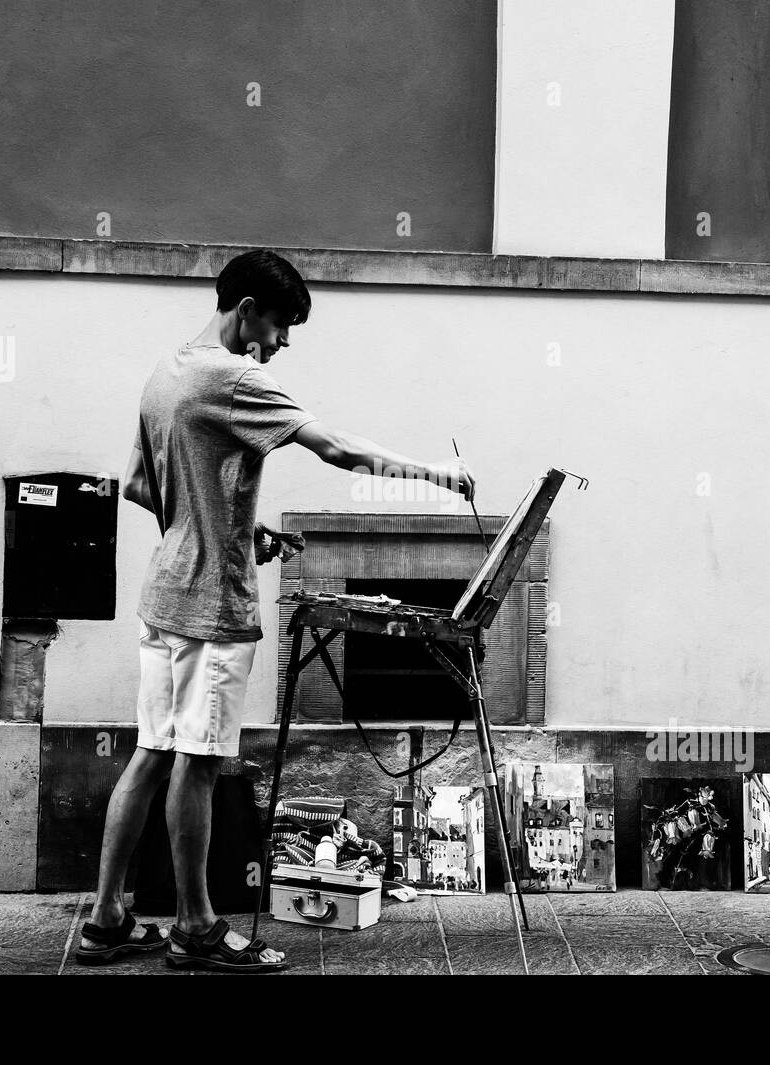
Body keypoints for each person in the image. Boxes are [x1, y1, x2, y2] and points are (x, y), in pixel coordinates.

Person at [74, 250, 475, 972]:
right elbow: (340, 450)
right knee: (198, 764)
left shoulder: (167, 371)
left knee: (151, 753)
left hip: (163, 594)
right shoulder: (235, 376)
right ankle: (195, 926)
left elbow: (145, 487)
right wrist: (436, 474)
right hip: (209, 608)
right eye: (282, 324)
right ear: (249, 308)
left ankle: (105, 918)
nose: (282, 342)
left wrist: (236, 530)